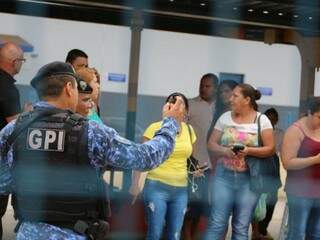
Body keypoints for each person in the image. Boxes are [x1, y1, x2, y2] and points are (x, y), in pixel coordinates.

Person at [0, 61, 185, 240]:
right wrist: (170, 123)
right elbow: (144, 158)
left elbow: (3, 183)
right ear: (68, 88)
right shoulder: (89, 132)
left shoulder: (13, 130)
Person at [205, 83, 275, 240]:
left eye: (235, 96)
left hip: (248, 180)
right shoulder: (224, 118)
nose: (230, 99)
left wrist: (249, 151)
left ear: (247, 100)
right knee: (217, 223)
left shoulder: (261, 120)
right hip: (223, 177)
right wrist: (225, 151)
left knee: (241, 226)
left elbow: (270, 149)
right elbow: (211, 143)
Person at [129, 92, 197, 240]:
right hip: (156, 186)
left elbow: (189, 158)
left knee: (175, 234)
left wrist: (195, 171)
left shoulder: (190, 131)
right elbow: (141, 158)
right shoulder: (154, 128)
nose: (176, 106)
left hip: (180, 190)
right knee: (155, 233)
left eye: (180, 104)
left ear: (186, 110)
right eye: (173, 103)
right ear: (167, 107)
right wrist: (135, 185)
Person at [182, 73, 218, 240]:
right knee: (190, 207)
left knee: (203, 208)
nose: (203, 88)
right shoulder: (190, 105)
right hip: (192, 165)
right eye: (201, 85)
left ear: (215, 88)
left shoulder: (221, 108)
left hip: (212, 166)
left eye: (207, 86)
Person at [281, 97, 320, 240]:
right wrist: (315, 160)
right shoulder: (295, 131)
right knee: (297, 232)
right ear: (309, 112)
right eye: (319, 117)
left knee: (316, 233)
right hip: (300, 190)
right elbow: (287, 162)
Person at [0, 42, 25, 239]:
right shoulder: (7, 88)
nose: (22, 64)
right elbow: (14, 126)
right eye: (22, 60)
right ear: (14, 62)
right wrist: (28, 116)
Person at [254, 108, 284, 240]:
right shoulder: (256, 131)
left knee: (272, 201)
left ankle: (263, 229)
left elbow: (282, 151)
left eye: (273, 119)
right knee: (257, 203)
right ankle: (256, 231)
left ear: (276, 121)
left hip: (273, 166)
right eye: (267, 118)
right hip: (259, 166)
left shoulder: (280, 134)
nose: (270, 121)